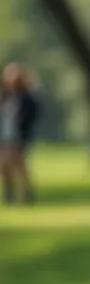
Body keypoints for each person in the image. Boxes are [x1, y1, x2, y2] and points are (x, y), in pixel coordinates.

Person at [0, 62, 41, 205]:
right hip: (5, 137)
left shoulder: (26, 97)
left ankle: (26, 195)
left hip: (19, 136)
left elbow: (33, 114)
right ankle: (9, 194)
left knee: (20, 166)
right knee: (5, 166)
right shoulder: (6, 96)